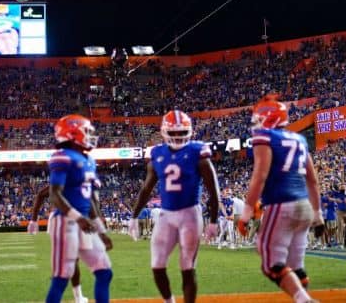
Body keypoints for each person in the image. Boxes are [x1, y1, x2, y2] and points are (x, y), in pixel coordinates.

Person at [128, 110, 221, 303]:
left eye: (181, 132)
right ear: (164, 132)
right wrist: (134, 215)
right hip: (166, 215)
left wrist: (213, 220)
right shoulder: (157, 154)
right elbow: (146, 189)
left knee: (187, 266)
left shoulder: (198, 152)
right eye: (174, 133)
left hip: (190, 214)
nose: (178, 136)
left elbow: (214, 189)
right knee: (157, 265)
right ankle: (169, 301)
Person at [238, 95, 323, 303]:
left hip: (281, 205)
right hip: (304, 206)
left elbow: (260, 175)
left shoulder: (265, 138)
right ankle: (303, 297)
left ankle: (304, 300)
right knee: (296, 267)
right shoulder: (300, 140)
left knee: (271, 264)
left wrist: (247, 211)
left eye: (259, 119)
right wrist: (318, 213)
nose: (256, 124)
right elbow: (313, 181)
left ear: (270, 119)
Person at [45, 114, 113, 303]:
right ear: (72, 133)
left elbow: (89, 199)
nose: (90, 136)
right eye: (86, 132)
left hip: (84, 221)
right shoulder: (63, 156)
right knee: (61, 277)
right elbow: (54, 195)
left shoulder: (88, 159)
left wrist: (101, 231)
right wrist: (79, 218)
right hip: (66, 222)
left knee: (104, 271)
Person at [29, 185, 89, 303]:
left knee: (67, 261)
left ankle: (75, 297)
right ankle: (76, 297)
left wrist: (34, 219)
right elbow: (41, 194)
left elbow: (41, 194)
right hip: (66, 220)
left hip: (63, 220)